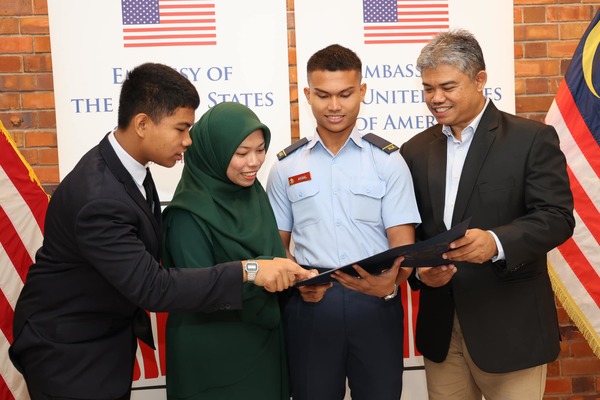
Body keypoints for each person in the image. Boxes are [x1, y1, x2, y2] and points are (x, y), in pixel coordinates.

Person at [9, 63, 310, 400]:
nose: (188, 140)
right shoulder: (98, 197)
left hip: (104, 337)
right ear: (142, 124)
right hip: (67, 349)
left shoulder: (129, 169)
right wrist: (251, 269)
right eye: (181, 128)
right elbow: (154, 287)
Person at [399, 29, 575, 400]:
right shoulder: (413, 151)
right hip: (441, 334)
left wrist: (495, 242)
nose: (436, 99)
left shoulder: (531, 139)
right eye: (428, 88)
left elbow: (557, 217)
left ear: (480, 80)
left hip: (511, 333)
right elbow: (412, 233)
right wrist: (419, 270)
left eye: (447, 87)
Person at [267, 44, 421, 400]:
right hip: (310, 304)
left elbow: (404, 245)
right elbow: (276, 243)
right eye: (322, 95)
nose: (334, 106)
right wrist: (296, 281)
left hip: (375, 303)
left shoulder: (388, 162)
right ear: (307, 94)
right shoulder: (286, 166)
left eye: (345, 94)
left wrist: (391, 284)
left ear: (362, 92)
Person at [162, 102, 298, 399]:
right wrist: (260, 271)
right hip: (213, 356)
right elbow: (198, 290)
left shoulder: (252, 194)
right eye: (241, 153)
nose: (254, 162)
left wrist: (296, 277)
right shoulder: (186, 215)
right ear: (214, 153)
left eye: (260, 150)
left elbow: (274, 254)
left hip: (262, 343)